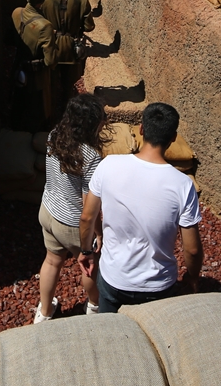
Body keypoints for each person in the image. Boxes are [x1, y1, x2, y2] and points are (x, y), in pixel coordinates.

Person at [79, 102, 202, 313]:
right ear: (173, 138)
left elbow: (87, 218)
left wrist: (86, 251)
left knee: (111, 333)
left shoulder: (108, 165)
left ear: (141, 130)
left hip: (114, 278)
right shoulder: (183, 185)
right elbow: (191, 249)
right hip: (159, 285)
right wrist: (192, 277)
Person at [35, 93, 109, 323]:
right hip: (71, 222)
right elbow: (89, 209)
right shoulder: (91, 156)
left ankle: (45, 312)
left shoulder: (55, 135)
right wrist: (97, 233)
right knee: (89, 266)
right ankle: (95, 307)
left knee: (51, 261)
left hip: (47, 210)